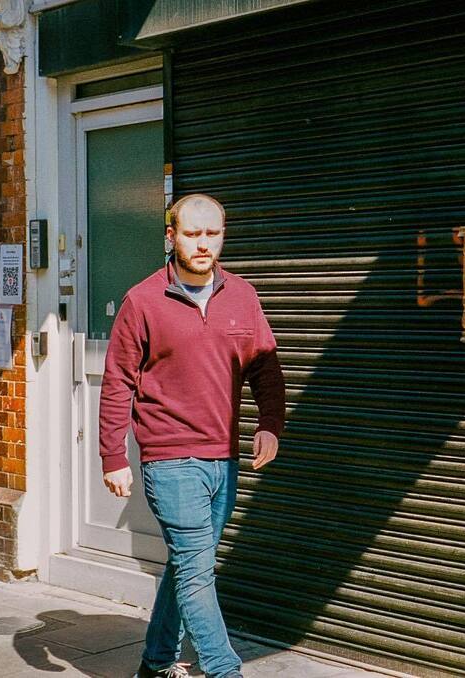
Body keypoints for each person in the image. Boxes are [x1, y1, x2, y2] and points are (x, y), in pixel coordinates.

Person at [98, 194, 285, 678]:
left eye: (212, 233)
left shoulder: (243, 294)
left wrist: (270, 424)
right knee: (198, 572)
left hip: (223, 457)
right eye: (192, 233)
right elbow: (118, 380)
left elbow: (266, 367)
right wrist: (112, 455)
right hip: (170, 458)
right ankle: (226, 670)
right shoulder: (143, 300)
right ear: (171, 237)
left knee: (188, 565)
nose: (203, 244)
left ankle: (156, 662)